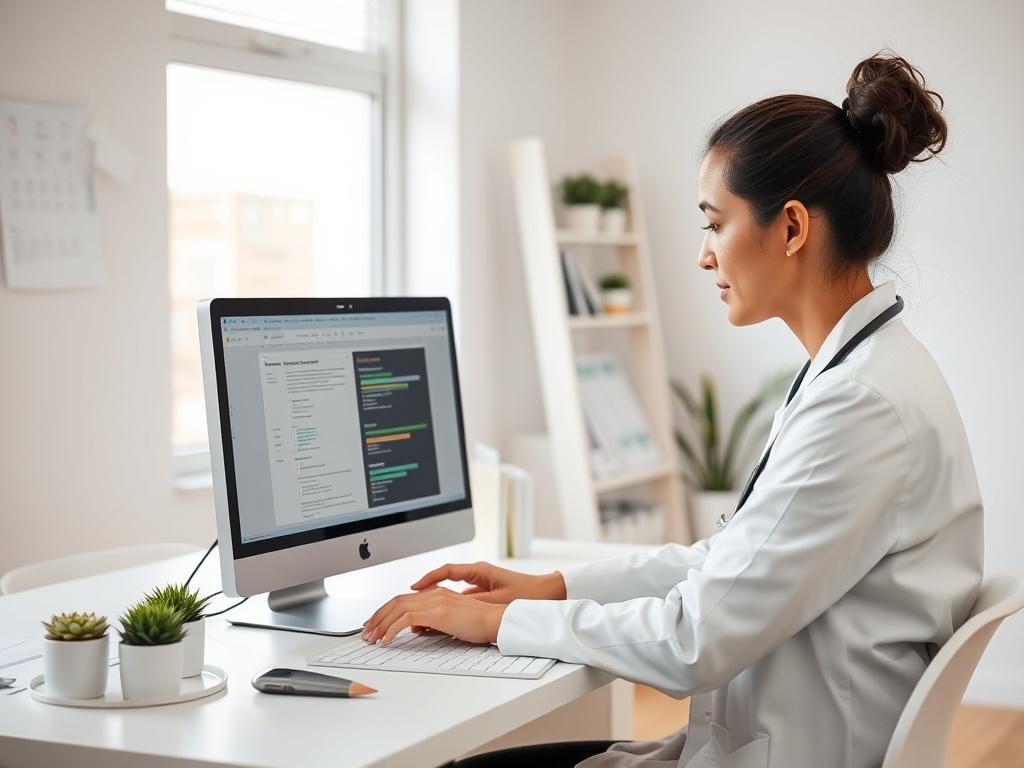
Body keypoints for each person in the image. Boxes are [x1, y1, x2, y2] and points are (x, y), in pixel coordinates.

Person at [362, 51, 983, 768]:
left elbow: (695, 640)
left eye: (714, 225)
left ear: (789, 230)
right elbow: (727, 562)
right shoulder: (857, 371)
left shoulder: (862, 407)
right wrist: (553, 585)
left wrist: (502, 622)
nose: (703, 256)